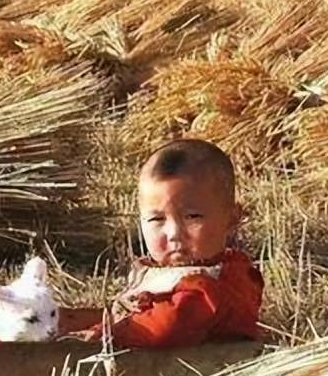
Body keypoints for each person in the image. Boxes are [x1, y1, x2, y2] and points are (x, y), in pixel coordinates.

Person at [74, 139, 264, 349]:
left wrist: (104, 335)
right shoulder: (167, 272)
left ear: (232, 219)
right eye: (157, 220)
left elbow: (166, 326)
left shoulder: (218, 285)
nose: (174, 234)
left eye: (192, 217)